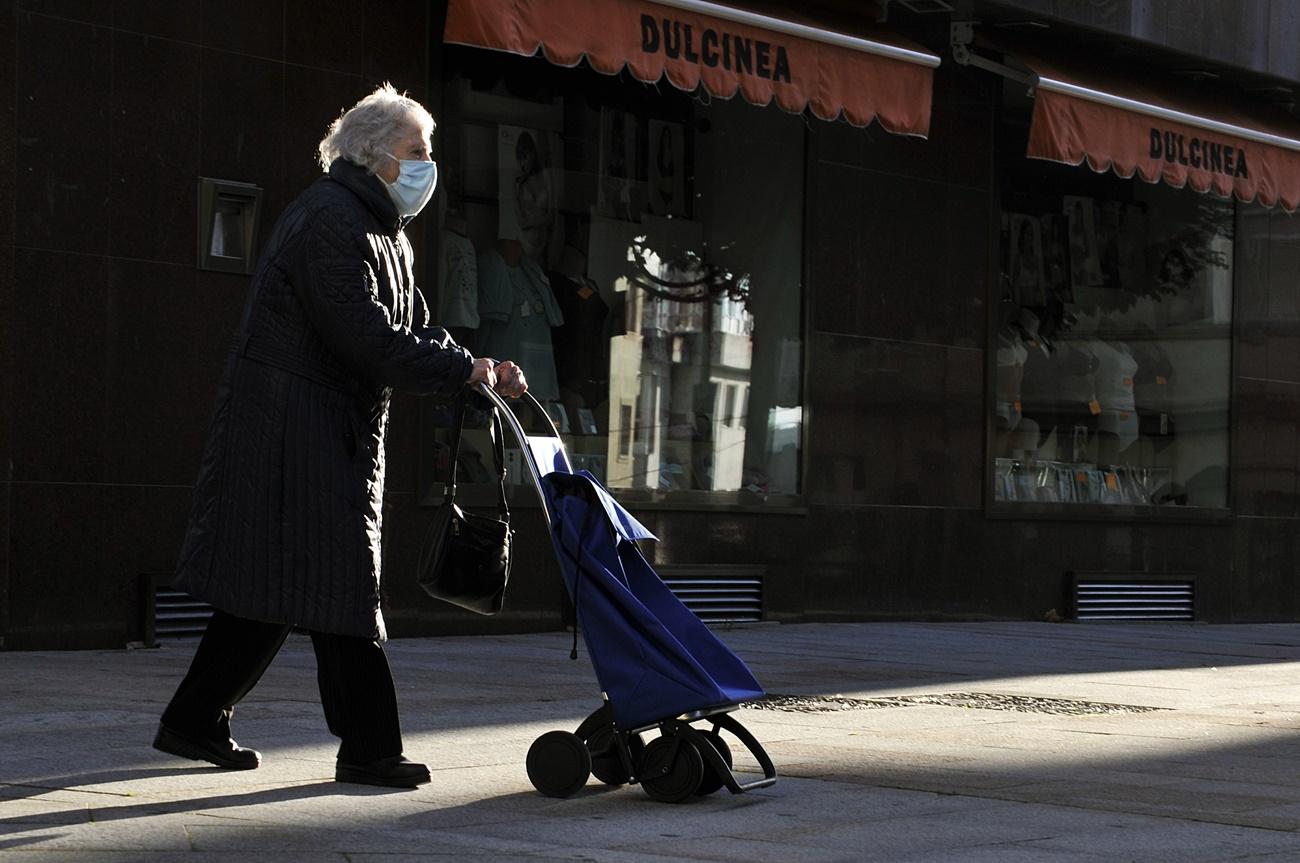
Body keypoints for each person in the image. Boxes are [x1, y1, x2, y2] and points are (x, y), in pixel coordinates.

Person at [153, 83, 527, 789]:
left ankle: (195, 719)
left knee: (274, 588)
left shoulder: (383, 229)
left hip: (319, 431)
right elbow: (364, 335)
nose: (426, 165)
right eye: (417, 151)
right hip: (294, 432)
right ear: (376, 156)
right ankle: (369, 748)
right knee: (341, 586)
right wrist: (456, 369)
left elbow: (416, 328)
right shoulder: (330, 219)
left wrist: (477, 368)